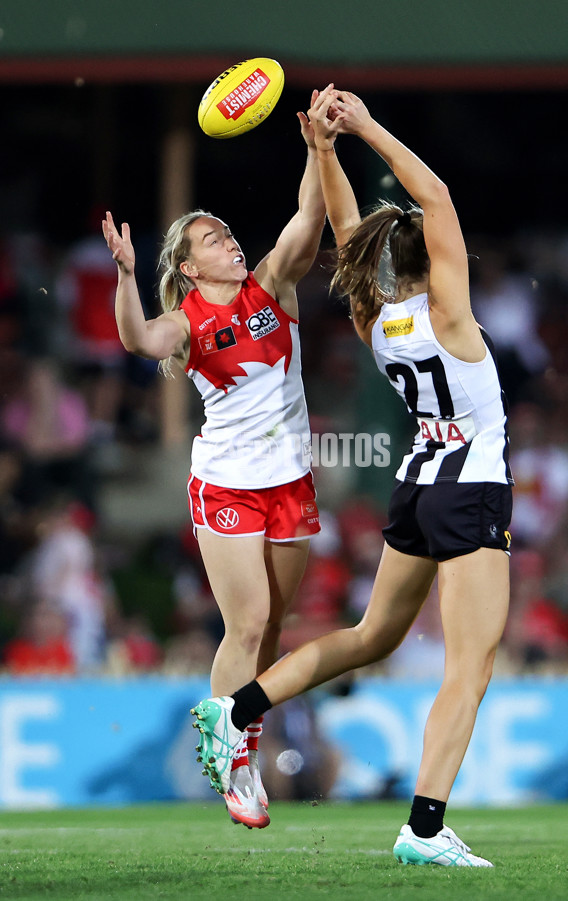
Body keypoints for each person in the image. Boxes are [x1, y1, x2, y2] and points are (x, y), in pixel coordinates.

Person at [190, 86, 513, 868]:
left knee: (372, 636)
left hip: (418, 483)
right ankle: (426, 826)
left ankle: (237, 708)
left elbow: (346, 231)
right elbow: (432, 194)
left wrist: (327, 152)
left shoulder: (379, 322)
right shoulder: (451, 317)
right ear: (430, 263)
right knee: (469, 665)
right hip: (471, 486)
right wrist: (365, 126)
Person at [102, 97, 326, 829]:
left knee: (271, 631)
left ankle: (245, 746)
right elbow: (137, 338)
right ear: (188, 264)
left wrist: (317, 148)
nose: (227, 240)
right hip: (227, 484)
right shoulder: (187, 322)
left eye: (226, 230)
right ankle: (228, 756)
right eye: (210, 237)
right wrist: (125, 274)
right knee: (249, 618)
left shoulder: (273, 286)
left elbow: (308, 220)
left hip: (291, 481)